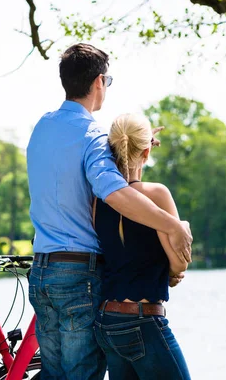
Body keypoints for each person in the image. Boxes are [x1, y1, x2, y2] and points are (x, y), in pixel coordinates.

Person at [26, 43, 192, 380]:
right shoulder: (92, 135)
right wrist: (172, 226)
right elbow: (115, 192)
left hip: (41, 272)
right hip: (77, 277)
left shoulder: (42, 126)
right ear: (99, 82)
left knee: (54, 375)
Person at [93, 113, 191, 380]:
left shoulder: (97, 201)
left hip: (107, 321)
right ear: (146, 152)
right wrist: (181, 230)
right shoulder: (156, 194)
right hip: (142, 320)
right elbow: (180, 261)